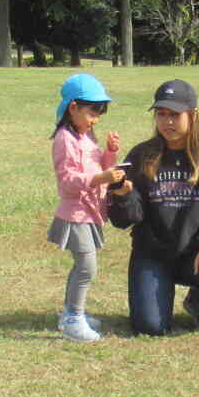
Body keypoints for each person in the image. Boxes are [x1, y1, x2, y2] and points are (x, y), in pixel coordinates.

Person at [107, 79, 199, 336]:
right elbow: (126, 219)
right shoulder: (141, 155)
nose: (167, 122)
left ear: (193, 115)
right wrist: (123, 195)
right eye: (161, 114)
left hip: (194, 254)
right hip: (152, 255)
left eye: (175, 115)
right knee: (150, 327)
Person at [48, 73, 121, 344]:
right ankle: (73, 319)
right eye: (93, 112)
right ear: (73, 107)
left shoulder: (85, 135)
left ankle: (71, 312)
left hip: (90, 212)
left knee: (82, 266)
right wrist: (102, 179)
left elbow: (97, 165)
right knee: (87, 267)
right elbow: (67, 182)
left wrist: (110, 153)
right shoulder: (64, 139)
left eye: (100, 112)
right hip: (75, 214)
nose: (97, 119)